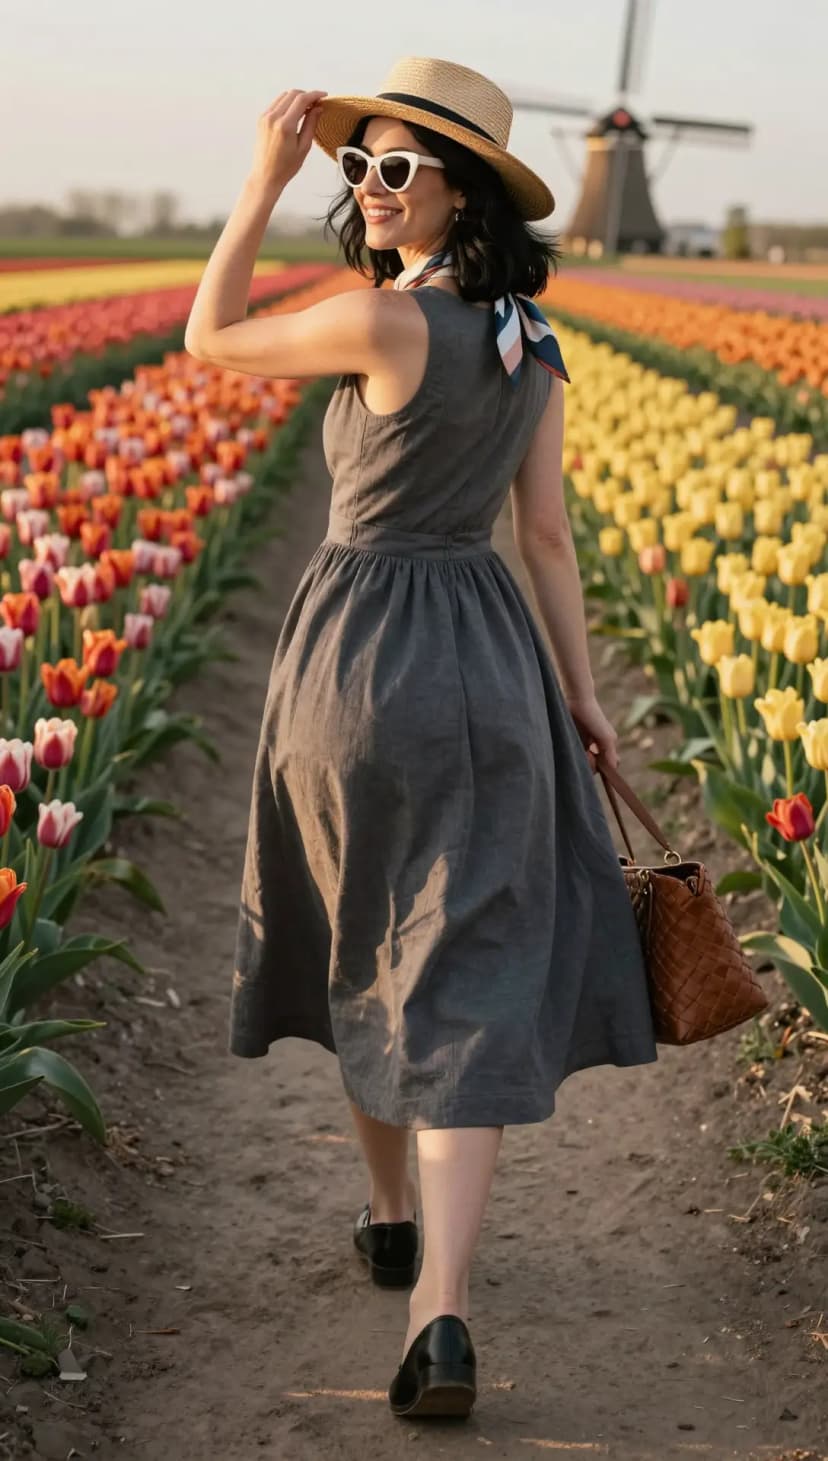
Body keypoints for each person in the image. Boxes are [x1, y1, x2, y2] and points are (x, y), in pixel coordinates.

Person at [184, 55, 658, 1422]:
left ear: (462, 196)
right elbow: (548, 539)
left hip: (358, 662)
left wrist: (262, 181)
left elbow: (210, 337)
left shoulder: (381, 328)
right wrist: (580, 694)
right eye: (357, 166)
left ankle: (392, 1216)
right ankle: (436, 1301)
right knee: (464, 962)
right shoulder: (533, 348)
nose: (371, 188)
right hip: (492, 663)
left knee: (361, 932)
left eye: (398, 169)